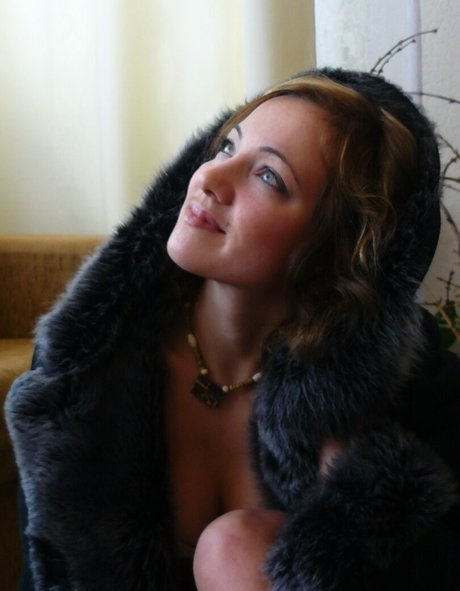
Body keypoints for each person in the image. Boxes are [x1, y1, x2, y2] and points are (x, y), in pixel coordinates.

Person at [5, 68, 460, 591]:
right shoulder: (84, 365)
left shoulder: (409, 385)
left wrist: (359, 508)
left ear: (335, 249)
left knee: (236, 548)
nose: (210, 179)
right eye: (227, 147)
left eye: (268, 176)